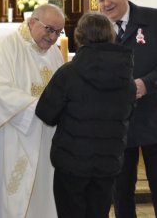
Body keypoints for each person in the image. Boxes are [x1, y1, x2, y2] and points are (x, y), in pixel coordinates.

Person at [0, 4, 65, 218]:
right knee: (9, 197)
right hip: (9, 136)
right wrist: (41, 108)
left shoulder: (54, 53)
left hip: (44, 138)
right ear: (33, 22)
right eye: (49, 29)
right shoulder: (5, 47)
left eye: (58, 32)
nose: (53, 37)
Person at [94, 0, 157, 218]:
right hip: (119, 124)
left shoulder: (154, 18)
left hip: (156, 117)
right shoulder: (98, 29)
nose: (106, 3)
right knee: (121, 190)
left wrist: (147, 83)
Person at [35, 12, 136, 217]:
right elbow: (127, 115)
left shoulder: (68, 72)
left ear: (79, 36)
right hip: (108, 163)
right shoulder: (127, 79)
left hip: (71, 164)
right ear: (111, 36)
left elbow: (46, 113)